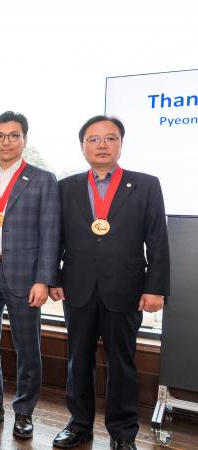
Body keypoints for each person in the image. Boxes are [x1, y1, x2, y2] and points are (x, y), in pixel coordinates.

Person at [50, 116, 169, 450]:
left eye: (109, 138)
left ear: (120, 143)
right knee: (78, 360)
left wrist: (155, 287)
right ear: (83, 146)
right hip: (78, 287)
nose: (101, 145)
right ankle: (79, 425)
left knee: (122, 364)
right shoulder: (67, 186)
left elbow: (157, 240)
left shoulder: (145, 184)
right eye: (93, 139)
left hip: (126, 288)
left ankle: (122, 434)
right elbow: (55, 237)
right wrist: (54, 277)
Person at [0, 111, 60, 439]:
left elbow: (50, 234)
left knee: (27, 347)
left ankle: (24, 411)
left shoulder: (42, 179)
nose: (5, 141)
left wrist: (44, 279)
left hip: (25, 277)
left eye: (13, 135)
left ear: (24, 139)